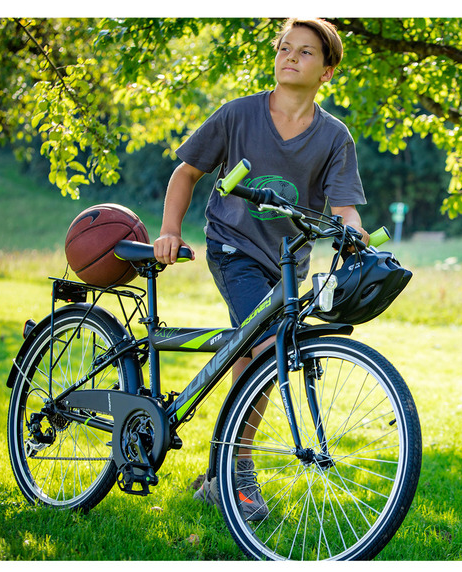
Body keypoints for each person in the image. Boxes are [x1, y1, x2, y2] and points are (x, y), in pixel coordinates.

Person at [153, 18, 369, 521]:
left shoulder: (334, 137)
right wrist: (168, 230)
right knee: (267, 348)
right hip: (233, 246)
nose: (290, 57)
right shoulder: (238, 116)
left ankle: (217, 475)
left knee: (256, 358)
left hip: (289, 263)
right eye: (284, 48)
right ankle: (239, 474)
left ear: (327, 71)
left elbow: (345, 209)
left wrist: (354, 232)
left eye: (306, 52)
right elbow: (186, 172)